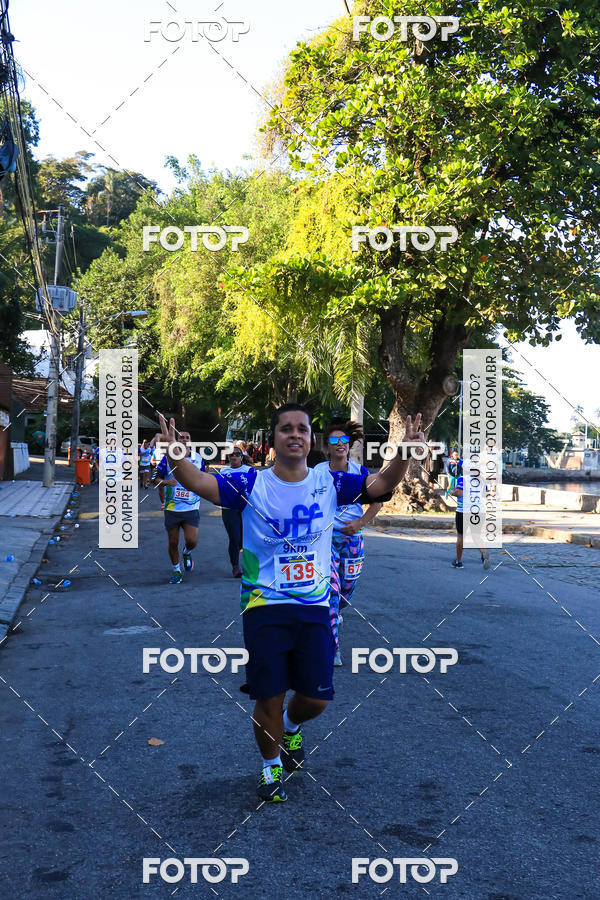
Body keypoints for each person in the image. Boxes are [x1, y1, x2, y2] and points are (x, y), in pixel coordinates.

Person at [154, 403, 426, 803]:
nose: (295, 434)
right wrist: (175, 454)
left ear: (310, 439)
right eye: (286, 429)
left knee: (316, 697)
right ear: (274, 439)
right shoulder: (249, 483)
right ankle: (270, 767)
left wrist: (405, 452)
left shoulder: (330, 483)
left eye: (302, 429)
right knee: (269, 693)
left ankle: (290, 727)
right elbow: (196, 481)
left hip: (315, 606)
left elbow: (381, 484)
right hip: (264, 606)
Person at [314, 421, 382, 666]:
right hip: (325, 541)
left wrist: (360, 523)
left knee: (346, 591)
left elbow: (378, 500)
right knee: (331, 591)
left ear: (349, 444)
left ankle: (337, 613)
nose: (340, 443)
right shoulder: (317, 473)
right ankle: (332, 648)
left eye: (344, 440)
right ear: (327, 448)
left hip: (353, 539)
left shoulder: (360, 472)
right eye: (334, 440)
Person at [155, 431, 206, 584]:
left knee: (192, 541)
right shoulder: (168, 458)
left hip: (191, 508)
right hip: (172, 509)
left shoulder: (198, 459)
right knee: (172, 542)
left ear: (191, 441)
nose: (184, 440)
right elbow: (155, 479)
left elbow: (204, 480)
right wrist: (166, 482)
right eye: (181, 437)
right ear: (176, 441)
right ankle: (176, 570)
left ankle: (187, 552)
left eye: (187, 438)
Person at [220, 448, 253, 577]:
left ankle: (249, 565)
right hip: (229, 508)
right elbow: (219, 488)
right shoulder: (223, 471)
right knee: (234, 537)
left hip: (246, 508)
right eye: (231, 454)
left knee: (245, 539)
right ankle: (235, 567)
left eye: (237, 454)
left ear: (241, 457)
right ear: (228, 457)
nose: (234, 456)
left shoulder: (248, 470)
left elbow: (254, 488)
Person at [450, 472, 491, 570]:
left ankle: (458, 562)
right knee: (476, 535)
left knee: (461, 536)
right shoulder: (482, 480)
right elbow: (486, 494)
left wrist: (452, 492)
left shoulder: (462, 479)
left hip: (464, 511)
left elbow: (459, 492)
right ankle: (483, 555)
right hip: (479, 511)